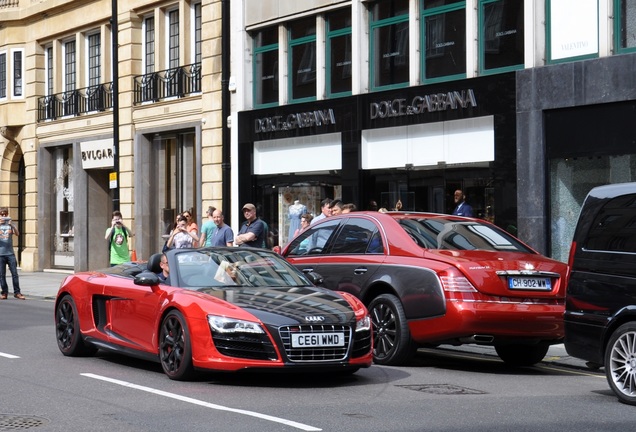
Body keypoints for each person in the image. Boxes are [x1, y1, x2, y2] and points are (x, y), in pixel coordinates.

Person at [0, 207, 24, 300]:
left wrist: (13, 225)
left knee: (14, 273)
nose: (3, 216)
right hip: (1, 254)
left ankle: (17, 292)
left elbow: (17, 234)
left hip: (10, 253)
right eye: (2, 214)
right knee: (1, 275)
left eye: (5, 214)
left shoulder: (11, 224)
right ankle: (4, 292)